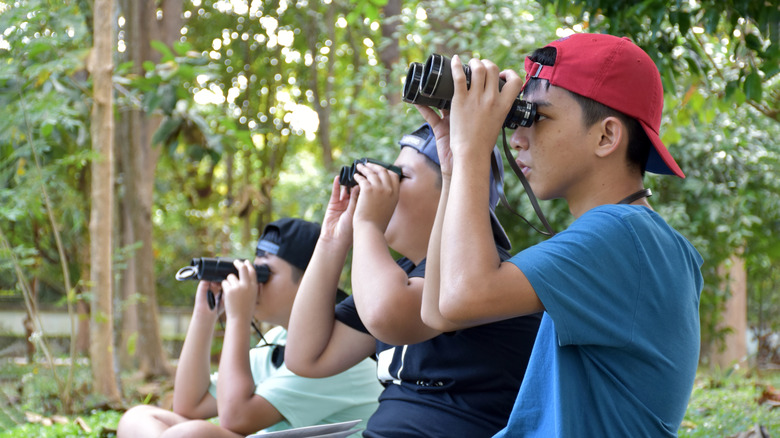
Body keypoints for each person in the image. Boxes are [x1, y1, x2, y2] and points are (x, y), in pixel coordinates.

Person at [418, 33, 704, 437]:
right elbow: (438, 312)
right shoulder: (637, 236)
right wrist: (452, 170)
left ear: (606, 136)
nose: (517, 138)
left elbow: (462, 296)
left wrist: (472, 151)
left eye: (537, 118)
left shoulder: (623, 232)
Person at [285, 124, 542, 437]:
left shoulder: (478, 272)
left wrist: (368, 225)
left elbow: (387, 315)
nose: (380, 189)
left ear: (452, 192)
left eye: (399, 177)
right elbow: (305, 357)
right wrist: (331, 238)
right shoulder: (400, 276)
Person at [117, 218, 382, 438]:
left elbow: (236, 418)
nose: (253, 283)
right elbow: (189, 405)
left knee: (189, 435)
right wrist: (205, 314)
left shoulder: (335, 351)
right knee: (138, 418)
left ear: (310, 282)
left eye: (264, 275)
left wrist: (238, 318)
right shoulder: (278, 338)